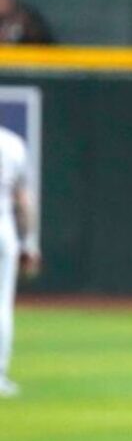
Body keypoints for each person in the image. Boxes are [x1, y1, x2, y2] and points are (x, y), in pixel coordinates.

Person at [0, 123, 39, 398]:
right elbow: (24, 201)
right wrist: (28, 243)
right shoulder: (12, 144)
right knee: (2, 306)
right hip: (3, 230)